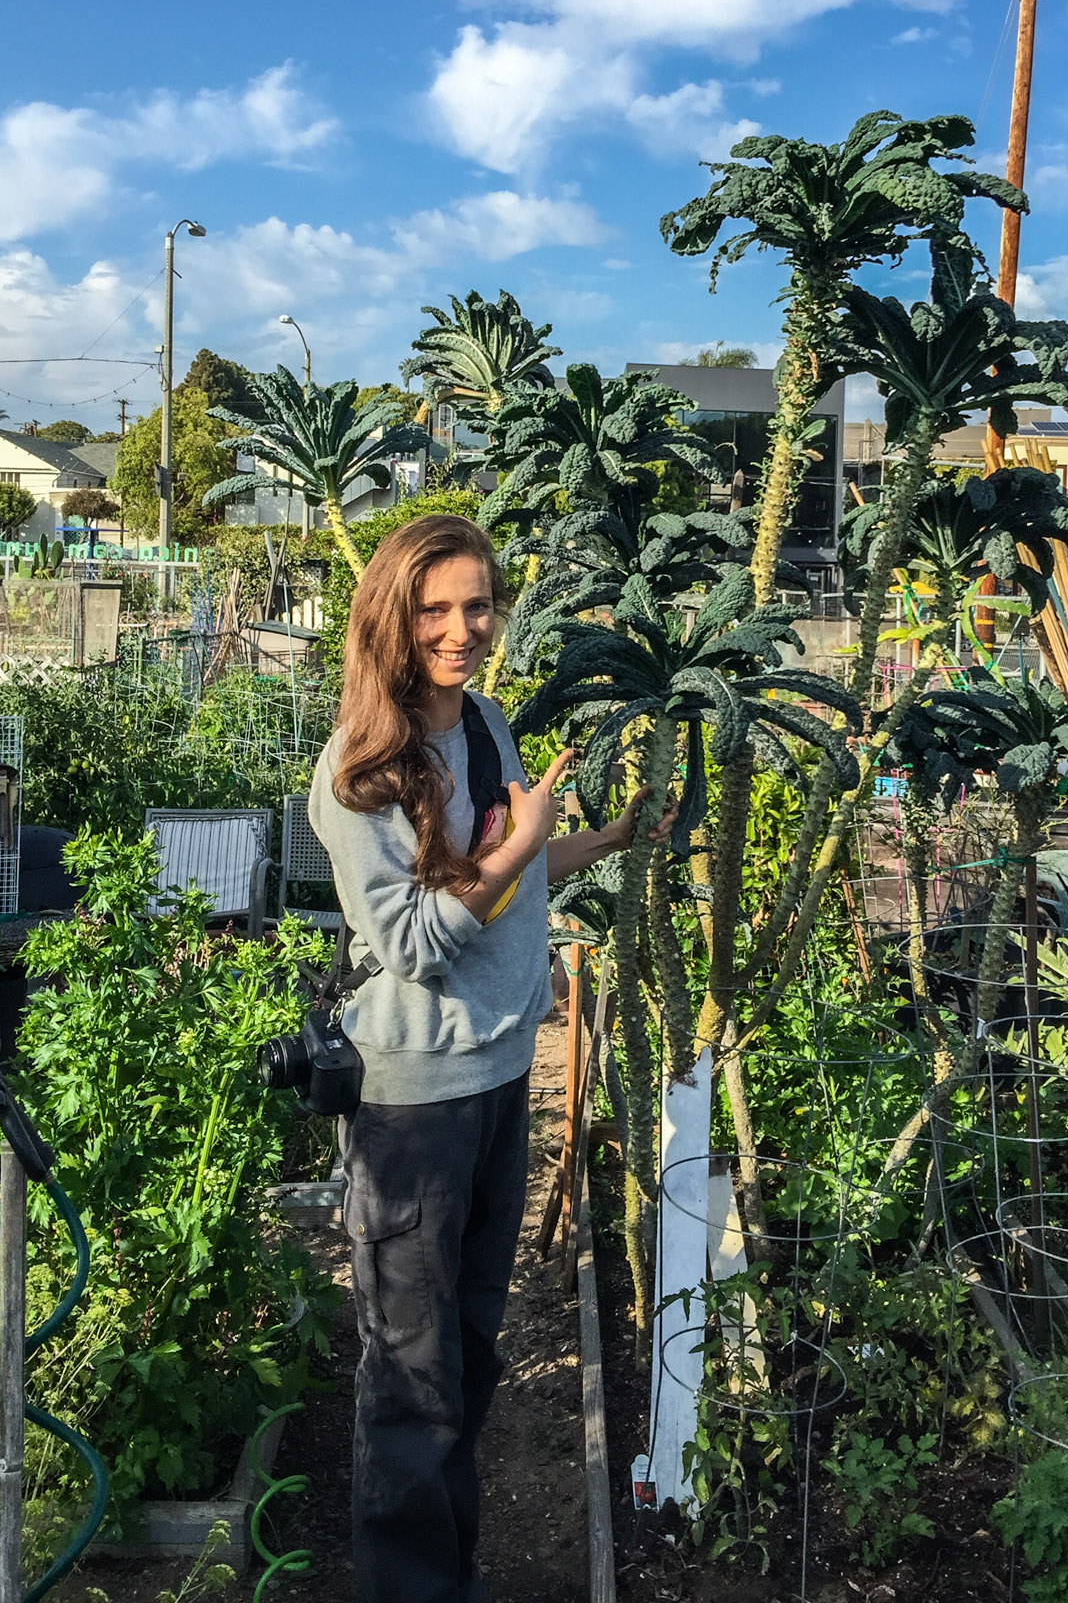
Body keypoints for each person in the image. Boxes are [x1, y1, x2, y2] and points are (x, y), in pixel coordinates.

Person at [309, 513, 671, 1603]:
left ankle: (447, 1573)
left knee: (467, 1348)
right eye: (435, 608)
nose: (461, 628)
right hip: (415, 1107)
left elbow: (504, 877)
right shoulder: (359, 770)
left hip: (502, 1078)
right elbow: (417, 940)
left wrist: (596, 841)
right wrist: (520, 842)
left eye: (476, 604)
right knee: (412, 1381)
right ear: (393, 616)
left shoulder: (487, 729)